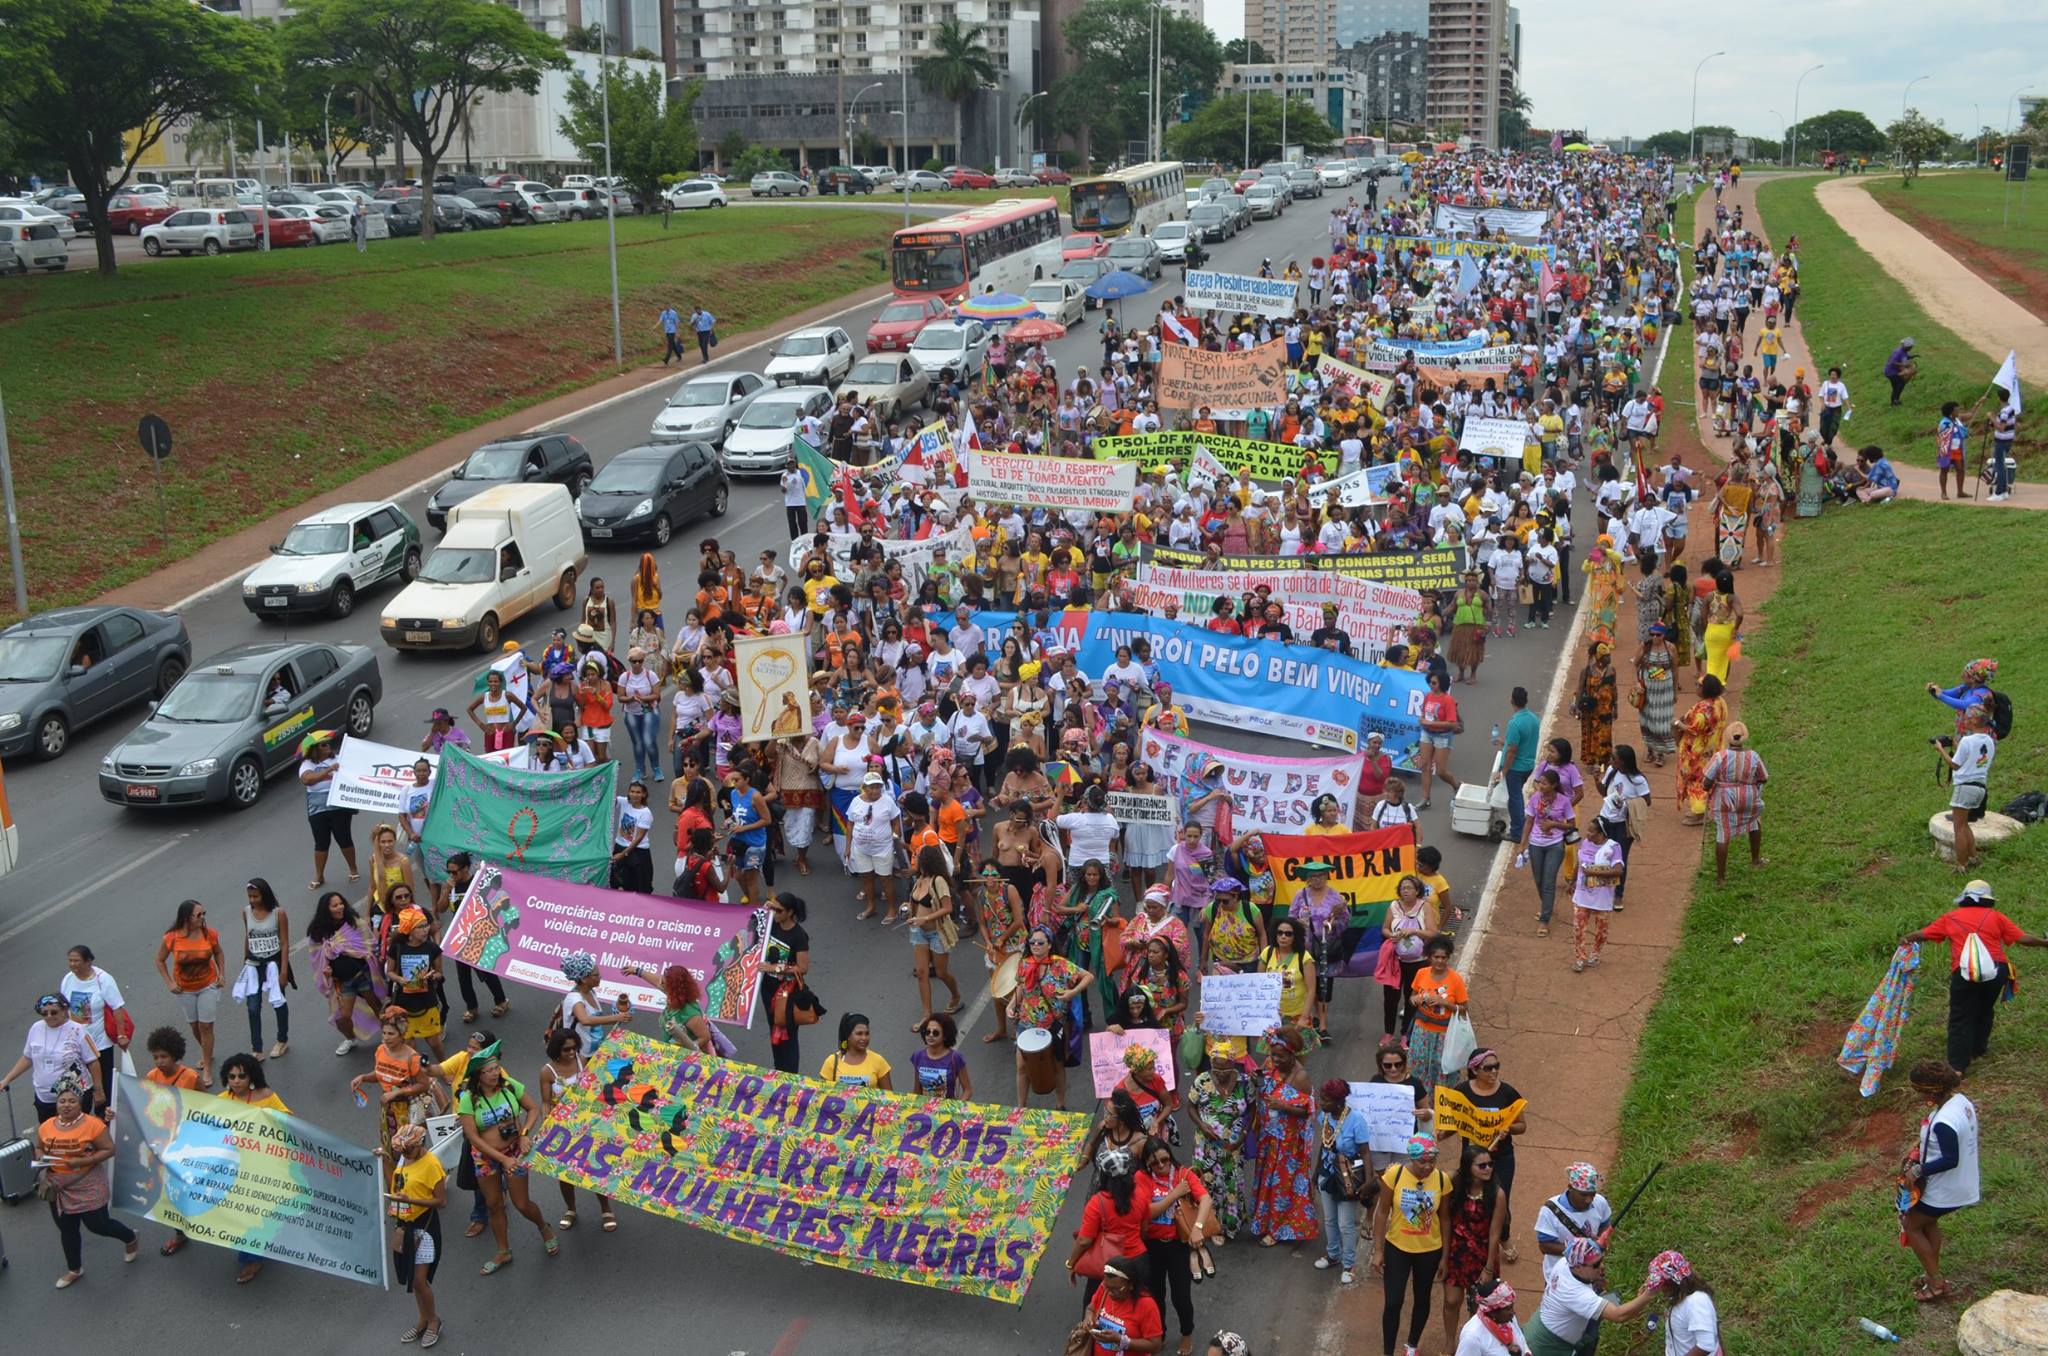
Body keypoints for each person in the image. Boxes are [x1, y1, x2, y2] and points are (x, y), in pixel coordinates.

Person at [1900, 880, 2048, 1074]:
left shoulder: (1950, 917)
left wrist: (1905, 939)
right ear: (1988, 900)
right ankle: (1978, 1049)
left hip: (1965, 973)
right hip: (1997, 972)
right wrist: (2044, 943)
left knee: (1960, 1015)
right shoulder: (1996, 917)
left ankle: (1957, 1067)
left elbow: (1922, 934)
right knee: (1984, 1009)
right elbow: (2022, 938)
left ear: (1964, 898)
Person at [456, 1042, 558, 1274]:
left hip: (514, 1152)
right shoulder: (468, 1098)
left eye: (497, 1068)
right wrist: (501, 1161)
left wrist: (524, 1135)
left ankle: (544, 1227)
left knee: (522, 1204)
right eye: (490, 1071)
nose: (496, 1073)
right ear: (478, 1076)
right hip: (486, 1157)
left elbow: (532, 1109)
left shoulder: (510, 1087)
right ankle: (503, 1251)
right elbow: (472, 1136)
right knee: (494, 1205)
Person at [34, 1072, 138, 1289]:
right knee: (67, 1229)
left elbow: (109, 1150)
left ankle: (130, 1237)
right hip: (58, 1186)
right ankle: (74, 1269)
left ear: (80, 1102)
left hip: (88, 1182)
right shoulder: (46, 1126)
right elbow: (39, 1147)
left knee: (98, 1225)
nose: (66, 1105)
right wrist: (39, 1158)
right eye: (62, 1101)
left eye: (72, 1100)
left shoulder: (93, 1125)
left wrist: (83, 1161)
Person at [1899, 1060, 1977, 1302]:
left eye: (1920, 1091)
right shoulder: (1959, 1102)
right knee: (1928, 1223)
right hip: (1959, 1182)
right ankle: (1933, 1271)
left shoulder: (1944, 1122)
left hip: (1945, 1188)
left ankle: (1936, 1282)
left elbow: (1950, 1158)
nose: (1918, 1095)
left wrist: (1918, 1170)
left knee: (1911, 1225)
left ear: (1931, 1091)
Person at [1370, 1135, 1450, 1356]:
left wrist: (1444, 1256)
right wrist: (1378, 1250)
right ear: (1411, 1158)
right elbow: (1382, 1212)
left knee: (1422, 1298)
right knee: (1393, 1302)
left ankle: (1412, 1346)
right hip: (1397, 1248)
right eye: (1422, 1161)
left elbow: (1445, 1219)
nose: (1427, 1166)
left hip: (1429, 1251)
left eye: (1431, 1161)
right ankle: (1388, 1351)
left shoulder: (1442, 1180)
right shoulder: (1394, 1176)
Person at [1524, 1236, 1659, 1356]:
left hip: (1546, 1326)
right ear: (1578, 1268)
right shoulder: (1576, 1294)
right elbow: (1619, 1315)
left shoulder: (1565, 1263)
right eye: (1596, 1264)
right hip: (1547, 1346)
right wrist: (1649, 1294)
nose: (1602, 1266)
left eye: (1601, 1260)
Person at [538, 1028, 616, 1232]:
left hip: (588, 1125)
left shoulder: (582, 1060)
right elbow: (545, 1102)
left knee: (595, 1168)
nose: (571, 1052)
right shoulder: (547, 1072)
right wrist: (545, 1119)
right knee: (564, 1173)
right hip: (563, 1131)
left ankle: (606, 1209)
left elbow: (596, 1086)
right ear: (556, 1049)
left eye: (574, 1048)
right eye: (566, 1049)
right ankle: (570, 1209)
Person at [1249, 1028, 1317, 1247]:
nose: (1275, 1060)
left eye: (1280, 1056)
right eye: (1273, 1054)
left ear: (1292, 1055)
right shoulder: (1271, 1064)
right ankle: (1264, 1222)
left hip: (1288, 1145)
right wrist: (1256, 1079)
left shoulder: (1301, 1076)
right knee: (1267, 1183)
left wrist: (1284, 1106)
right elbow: (1265, 1084)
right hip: (1269, 1138)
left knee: (1283, 1187)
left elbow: (1307, 1111)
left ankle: (1277, 1230)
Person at [382, 1122, 447, 1346]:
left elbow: (440, 1201)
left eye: (407, 1150)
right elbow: (395, 1184)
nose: (404, 1153)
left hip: (425, 1227)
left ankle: (433, 1321)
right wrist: (385, 1160)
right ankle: (422, 1319)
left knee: (420, 1280)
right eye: (401, 1150)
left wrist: (411, 1200)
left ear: (419, 1145)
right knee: (412, 1278)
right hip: (404, 1224)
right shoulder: (403, 1160)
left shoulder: (432, 1165)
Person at [1187, 1039, 1254, 1253]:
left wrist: (1243, 1135)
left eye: (1225, 1069)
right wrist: (1202, 1126)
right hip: (1206, 1144)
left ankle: (1231, 1223)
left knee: (1232, 1181)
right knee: (1209, 1184)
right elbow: (1190, 1107)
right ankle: (1213, 1227)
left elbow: (1252, 1109)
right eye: (1216, 1068)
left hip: (1233, 1144)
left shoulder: (1244, 1082)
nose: (1220, 1073)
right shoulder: (1202, 1081)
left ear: (1233, 1065)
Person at [1438, 1145, 1507, 1354]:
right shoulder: (1455, 1186)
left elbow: (1495, 1234)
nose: (1488, 1169)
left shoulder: (1497, 1194)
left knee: (1478, 1309)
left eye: (1490, 1164)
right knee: (1451, 1301)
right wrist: (1443, 1257)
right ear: (1468, 1168)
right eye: (1482, 1165)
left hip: (1482, 1256)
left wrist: (1488, 1268)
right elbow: (1446, 1220)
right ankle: (1450, 1345)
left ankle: (1470, 1347)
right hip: (1456, 1253)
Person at [1140, 1137, 1204, 1355]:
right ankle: (1160, 1334)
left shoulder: (1182, 1174)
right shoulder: (1142, 1178)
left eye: (1164, 1159)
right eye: (1154, 1163)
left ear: (1170, 1155)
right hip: (1152, 1245)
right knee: (1154, 1294)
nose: (1160, 1166)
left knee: (1181, 1296)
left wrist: (1198, 1227)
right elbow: (1147, 1212)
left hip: (1177, 1246)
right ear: (1146, 1164)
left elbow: (1205, 1200)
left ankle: (1187, 1334)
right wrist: (1174, 1195)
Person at [1, 993, 104, 1124]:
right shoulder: (36, 1028)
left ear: (65, 1010)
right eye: (44, 1013)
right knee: (50, 1136)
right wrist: (7, 1080)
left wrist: (98, 1091)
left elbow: (93, 1062)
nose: (49, 1016)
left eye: (54, 1012)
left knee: (74, 1135)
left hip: (74, 1098)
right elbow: (28, 1057)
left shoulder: (78, 1030)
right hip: (44, 1098)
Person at [154, 899, 225, 1088]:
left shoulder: (209, 934)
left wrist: (222, 974)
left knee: (205, 1026)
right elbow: (160, 960)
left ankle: (207, 1066)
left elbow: (218, 953)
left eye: (203, 914)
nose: (202, 918)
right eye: (198, 915)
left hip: (207, 985)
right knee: (194, 1026)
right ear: (186, 918)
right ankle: (206, 1051)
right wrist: (169, 982)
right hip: (185, 988)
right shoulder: (172, 938)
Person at [56, 945, 129, 1112]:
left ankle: (105, 1121)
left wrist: (121, 1034)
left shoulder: (103, 979)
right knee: (78, 1084)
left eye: (76, 961)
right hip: (75, 1043)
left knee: (103, 1085)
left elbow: (117, 1008)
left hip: (100, 1043)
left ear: (88, 961)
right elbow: (63, 1008)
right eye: (70, 961)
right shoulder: (68, 978)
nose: (73, 964)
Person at [1314, 1078, 1372, 1285]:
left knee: (1345, 1223)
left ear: (1339, 1102)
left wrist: (1368, 1182)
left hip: (1348, 1177)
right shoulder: (1325, 1116)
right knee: (1329, 1219)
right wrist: (1316, 1173)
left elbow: (1365, 1153)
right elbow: (1324, 1144)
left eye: (1325, 1100)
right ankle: (1332, 1255)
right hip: (1328, 1173)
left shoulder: (1356, 1121)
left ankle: (1349, 1264)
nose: (1321, 1103)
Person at [1702, 722, 1768, 882]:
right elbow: (1764, 777)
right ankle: (1755, 860)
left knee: (1723, 833)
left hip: (1725, 799)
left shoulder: (1720, 757)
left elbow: (1706, 783)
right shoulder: (1753, 756)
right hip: (1749, 797)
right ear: (1744, 738)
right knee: (1755, 822)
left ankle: (1721, 878)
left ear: (1727, 738)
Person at [907, 844, 965, 1026]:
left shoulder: (938, 881)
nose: (915, 859)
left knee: (941, 973)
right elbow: (915, 902)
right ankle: (927, 1014)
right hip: (919, 933)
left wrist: (926, 918)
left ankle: (955, 995)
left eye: (918, 856)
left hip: (936, 933)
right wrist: (911, 914)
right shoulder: (920, 880)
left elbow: (947, 908)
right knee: (922, 973)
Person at [1936, 704, 1998, 869]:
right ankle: (1973, 858)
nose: (1966, 720)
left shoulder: (1967, 740)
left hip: (1965, 787)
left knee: (1958, 828)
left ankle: (1960, 865)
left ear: (1977, 720)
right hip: (1980, 787)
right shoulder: (1990, 741)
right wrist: (1957, 746)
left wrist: (1940, 749)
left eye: (1969, 718)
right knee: (1965, 825)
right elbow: (1976, 757)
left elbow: (1955, 765)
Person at [237, 879, 292, 1060]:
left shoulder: (278, 913)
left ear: (264, 895)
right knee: (253, 1007)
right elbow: (248, 936)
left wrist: (284, 971)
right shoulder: (246, 912)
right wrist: (245, 961)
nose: (252, 900)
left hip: (273, 964)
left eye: (256, 896)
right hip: (253, 965)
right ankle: (257, 1048)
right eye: (250, 896)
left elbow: (284, 943)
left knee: (278, 1002)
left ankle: (282, 1040)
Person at [1515, 770, 1574, 936]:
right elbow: (1529, 822)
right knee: (1539, 880)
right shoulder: (1535, 798)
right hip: (1535, 843)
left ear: (1554, 785)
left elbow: (1571, 824)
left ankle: (1545, 919)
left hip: (1555, 844)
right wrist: (1522, 844)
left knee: (1549, 881)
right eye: (1540, 782)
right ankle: (1546, 906)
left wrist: (1553, 824)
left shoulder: (1564, 801)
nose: (1541, 786)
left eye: (1544, 783)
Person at [299, 731, 360, 888]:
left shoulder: (339, 758)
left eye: (328, 743)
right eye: (323, 744)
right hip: (317, 807)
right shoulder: (307, 765)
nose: (328, 746)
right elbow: (307, 780)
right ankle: (319, 875)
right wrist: (329, 770)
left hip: (338, 804)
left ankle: (353, 869)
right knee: (321, 842)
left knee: (344, 838)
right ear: (314, 749)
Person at [1407, 935, 1466, 1087]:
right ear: (1429, 957)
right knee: (1418, 1067)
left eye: (1443, 957)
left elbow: (1464, 1010)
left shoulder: (1456, 980)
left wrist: (1445, 1003)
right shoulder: (1421, 973)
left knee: (1440, 1070)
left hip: (1444, 1034)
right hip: (1421, 1031)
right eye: (1436, 957)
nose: (1440, 961)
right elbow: (1412, 997)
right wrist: (1416, 999)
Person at [1569, 817, 1624, 971]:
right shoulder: (1585, 843)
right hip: (1582, 894)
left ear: (1602, 834)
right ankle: (1580, 958)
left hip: (1602, 897)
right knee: (1578, 928)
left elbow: (1618, 870)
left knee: (1602, 930)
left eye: (1592, 831)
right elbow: (1579, 864)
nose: (1588, 834)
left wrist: (1592, 871)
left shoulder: (1613, 847)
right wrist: (1572, 881)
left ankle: (1595, 954)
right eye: (1588, 830)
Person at [555, 951, 632, 1058]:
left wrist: (619, 1015)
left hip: (595, 1047)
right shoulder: (574, 999)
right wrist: (616, 1017)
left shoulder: (590, 992)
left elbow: (596, 1017)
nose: (600, 977)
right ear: (584, 979)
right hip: (582, 1054)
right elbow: (585, 1020)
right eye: (596, 975)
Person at [1533, 1161, 1612, 1264]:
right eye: (1583, 1195)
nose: (1588, 1200)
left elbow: (1605, 1225)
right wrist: (1580, 1249)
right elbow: (1545, 1246)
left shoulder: (1600, 1202)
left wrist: (1600, 1240)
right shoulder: (1549, 1211)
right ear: (1570, 1188)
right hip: (1560, 1272)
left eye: (1592, 1195)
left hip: (1591, 1270)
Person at [1674, 675, 1727, 825]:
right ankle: (1706, 808)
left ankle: (1699, 812)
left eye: (1698, 685)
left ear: (1706, 689)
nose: (1696, 687)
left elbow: (1693, 729)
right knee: (1708, 778)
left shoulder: (1704, 709)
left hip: (1697, 753)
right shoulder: (1720, 702)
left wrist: (1678, 723)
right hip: (1713, 747)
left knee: (1695, 780)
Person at [1645, 1250, 1720, 1356]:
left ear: (1673, 1283)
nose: (1660, 1288)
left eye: (1662, 1284)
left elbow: (1706, 1345)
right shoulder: (1679, 1298)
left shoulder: (1696, 1302)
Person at [1493, 687, 1539, 843]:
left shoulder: (1515, 723)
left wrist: (1503, 772)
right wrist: (1504, 743)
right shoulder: (1533, 719)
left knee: (1514, 799)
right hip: (1528, 765)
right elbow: (1520, 743)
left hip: (1516, 768)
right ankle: (1521, 823)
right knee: (1517, 796)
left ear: (1511, 700)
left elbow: (1512, 751)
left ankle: (1517, 832)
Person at [908, 1011, 972, 1099]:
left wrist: (956, 1110)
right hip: (925, 1109)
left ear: (945, 1036)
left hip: (947, 1110)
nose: (930, 1035)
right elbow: (917, 1089)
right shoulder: (918, 1056)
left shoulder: (955, 1058)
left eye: (935, 1033)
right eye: (928, 1032)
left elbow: (967, 1090)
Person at [1575, 642, 1618, 770]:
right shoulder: (1587, 671)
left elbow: (1614, 689)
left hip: (1606, 711)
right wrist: (1577, 707)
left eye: (1609, 655)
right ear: (1599, 658)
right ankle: (1590, 762)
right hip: (1590, 711)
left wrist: (1616, 706)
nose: (1609, 659)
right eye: (1606, 656)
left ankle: (1603, 761)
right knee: (1590, 735)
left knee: (1605, 736)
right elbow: (1579, 689)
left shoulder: (1611, 670)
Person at [1883, 336, 1917, 406]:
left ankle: (1895, 401)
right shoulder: (1898, 352)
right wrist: (1903, 365)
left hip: (1894, 371)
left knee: (1899, 385)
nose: (1911, 348)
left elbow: (1906, 357)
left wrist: (1913, 356)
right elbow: (1892, 362)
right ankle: (1894, 402)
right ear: (1906, 346)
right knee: (1899, 385)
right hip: (1890, 372)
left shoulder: (1904, 351)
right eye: (1910, 346)